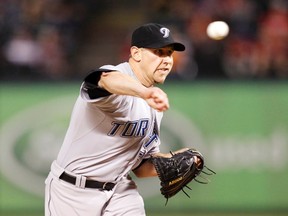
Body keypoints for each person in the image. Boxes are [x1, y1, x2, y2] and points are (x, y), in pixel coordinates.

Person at [45, 23, 195, 216]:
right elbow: (105, 80)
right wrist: (144, 92)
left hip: (120, 190)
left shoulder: (154, 106)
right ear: (136, 53)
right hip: (72, 191)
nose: (167, 60)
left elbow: (141, 167)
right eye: (159, 52)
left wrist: (175, 160)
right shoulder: (118, 77)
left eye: (169, 53)